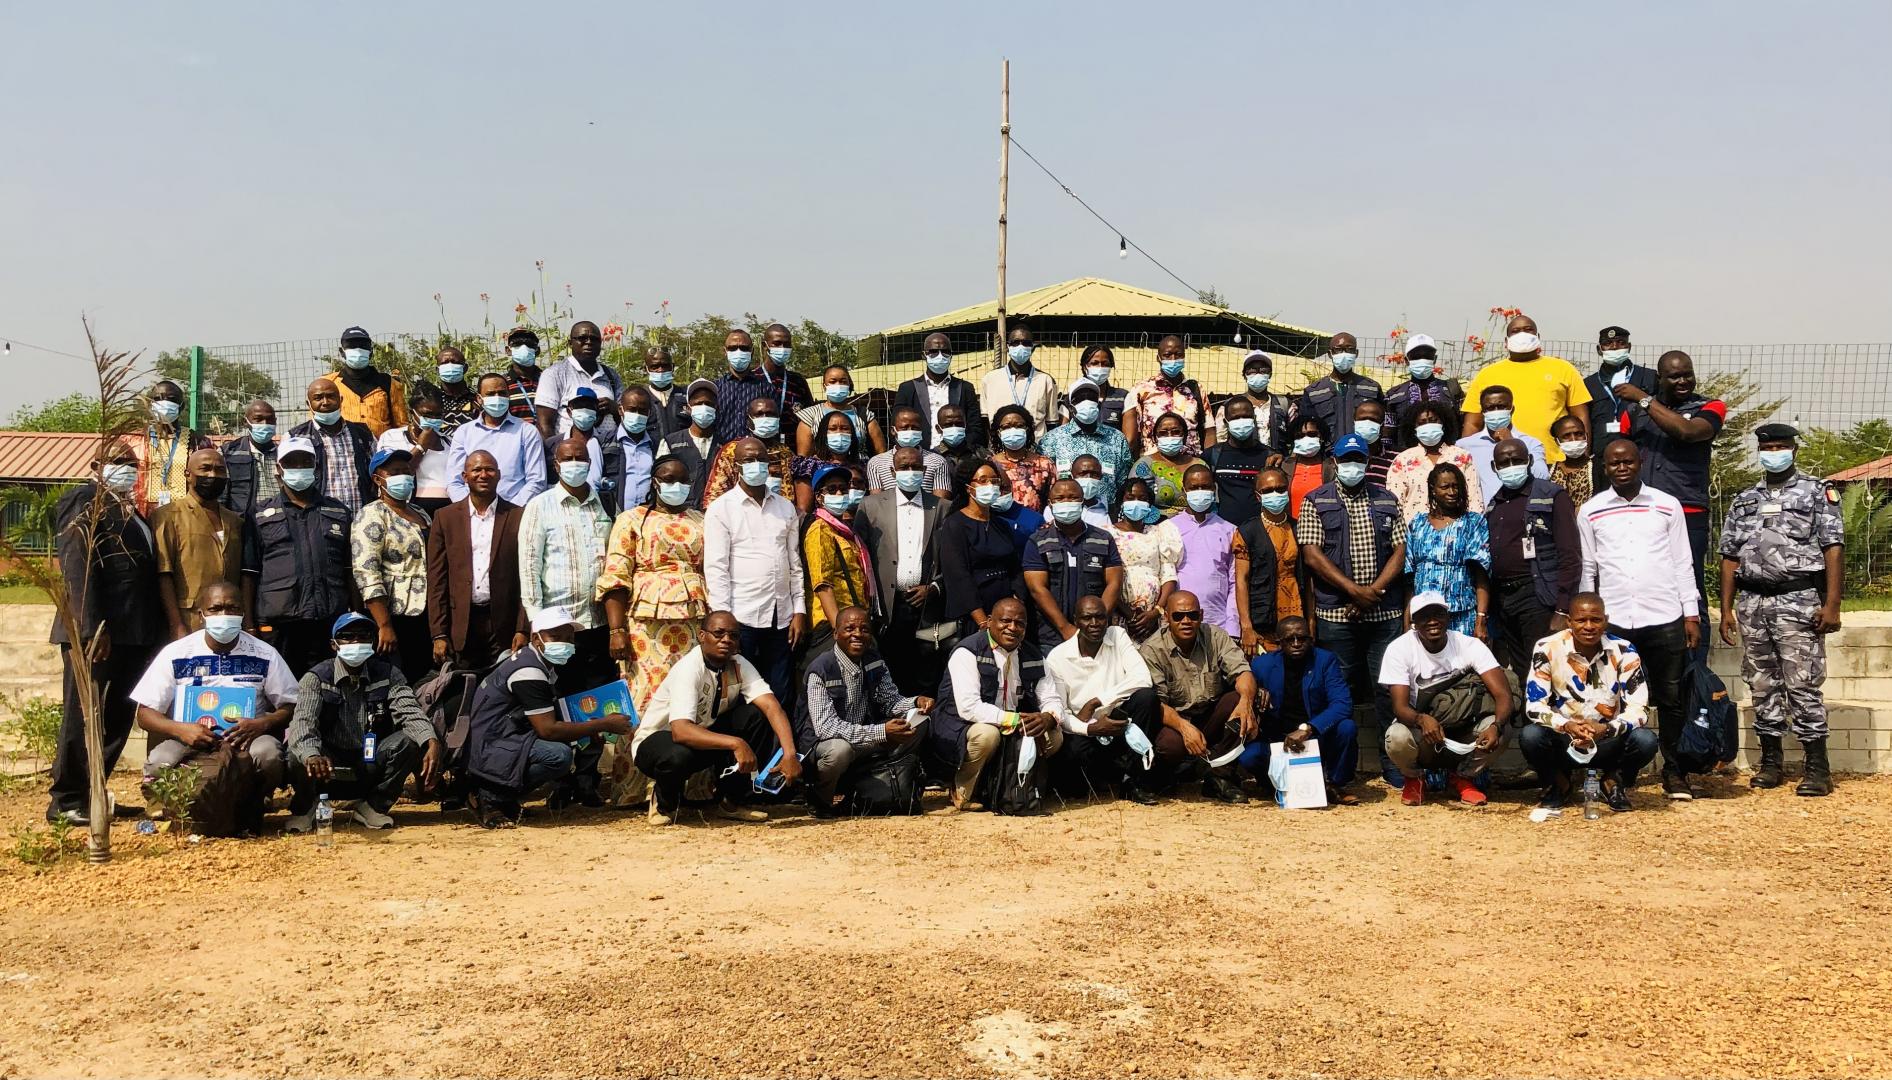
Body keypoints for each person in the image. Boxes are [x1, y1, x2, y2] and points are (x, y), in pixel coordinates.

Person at [1718, 423, 1845, 797]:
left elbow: (1833, 548)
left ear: (1794, 450)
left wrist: (1833, 604)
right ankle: (1771, 762)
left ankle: (1817, 767)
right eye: (1767, 446)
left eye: (1780, 446)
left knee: (1802, 683)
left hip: (1798, 598)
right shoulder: (1745, 498)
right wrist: (1726, 610)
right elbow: (1729, 555)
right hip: (1752, 602)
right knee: (1761, 684)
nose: (1774, 452)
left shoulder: (1818, 492)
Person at [1579, 439, 1702, 800]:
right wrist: (1589, 617)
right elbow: (1589, 568)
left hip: (1663, 615)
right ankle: (1615, 771)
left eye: (1628, 461)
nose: (1621, 468)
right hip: (1614, 621)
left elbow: (1682, 562)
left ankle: (1675, 772)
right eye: (1614, 463)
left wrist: (1690, 614)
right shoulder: (1591, 510)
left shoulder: (1666, 505)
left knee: (1671, 698)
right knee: (1610, 699)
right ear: (1605, 467)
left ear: (1640, 461)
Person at [45, 443, 161, 825]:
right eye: (117, 462)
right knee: (85, 717)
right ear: (96, 466)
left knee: (115, 718)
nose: (126, 469)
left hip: (133, 633)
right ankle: (67, 800)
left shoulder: (129, 508)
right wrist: (92, 628)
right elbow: (78, 569)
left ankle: (95, 793)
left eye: (132, 463)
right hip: (99, 634)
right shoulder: (84, 500)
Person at [1296, 433, 1407, 786]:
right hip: (1335, 615)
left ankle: (1393, 764)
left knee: (1387, 690)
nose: (1352, 466)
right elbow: (1311, 555)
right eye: (1346, 460)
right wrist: (1354, 592)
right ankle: (1339, 768)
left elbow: (1400, 551)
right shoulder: (1316, 500)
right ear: (1335, 462)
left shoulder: (1388, 500)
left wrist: (1373, 592)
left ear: (1367, 462)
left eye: (1359, 459)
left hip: (1383, 613)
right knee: (1337, 693)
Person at [132, 581, 298, 813]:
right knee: (161, 760)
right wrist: (181, 730)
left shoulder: (264, 653)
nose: (224, 615)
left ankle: (255, 800)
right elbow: (145, 713)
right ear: (201, 615)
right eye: (216, 608)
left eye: (232, 608)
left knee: (269, 754)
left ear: (242, 613)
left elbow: (291, 704)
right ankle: (177, 804)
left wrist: (264, 723)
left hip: (245, 741)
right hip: (188, 740)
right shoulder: (177, 653)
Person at [630, 611, 803, 824]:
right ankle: (664, 803)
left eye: (733, 635)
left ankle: (732, 802)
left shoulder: (738, 663)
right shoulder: (689, 668)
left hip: (702, 737)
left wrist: (790, 753)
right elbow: (681, 731)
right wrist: (736, 743)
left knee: (755, 716)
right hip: (659, 743)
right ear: (702, 636)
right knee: (677, 755)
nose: (726, 640)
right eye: (718, 633)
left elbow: (772, 707)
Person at [463, 608, 629, 827]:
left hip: (504, 736)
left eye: (569, 638)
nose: (565, 643)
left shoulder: (539, 662)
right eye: (555, 637)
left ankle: (504, 798)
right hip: (493, 744)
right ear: (536, 639)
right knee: (558, 756)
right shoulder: (528, 672)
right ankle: (490, 796)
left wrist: (588, 729)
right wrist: (603, 724)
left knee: (564, 743)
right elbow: (547, 729)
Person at [283, 611, 440, 832]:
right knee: (295, 752)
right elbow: (302, 723)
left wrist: (430, 740)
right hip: (327, 765)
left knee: (409, 742)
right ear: (334, 644)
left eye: (363, 635)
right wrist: (312, 754)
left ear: (372, 641)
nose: (356, 642)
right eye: (348, 636)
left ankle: (373, 806)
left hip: (369, 759)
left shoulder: (388, 674)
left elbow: (409, 711)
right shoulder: (316, 678)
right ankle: (306, 806)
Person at [1521, 592, 1658, 811]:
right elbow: (1534, 706)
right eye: (1581, 620)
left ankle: (1613, 781)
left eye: (1596, 620)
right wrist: (1567, 725)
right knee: (1531, 736)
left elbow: (1639, 709)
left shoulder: (1624, 650)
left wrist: (1606, 729)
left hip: (1607, 738)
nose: (1588, 626)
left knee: (1646, 740)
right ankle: (1560, 784)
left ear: (1606, 620)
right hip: (1565, 738)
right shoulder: (1547, 648)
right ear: (1569, 622)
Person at [929, 596, 1065, 812]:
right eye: (1005, 621)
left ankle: (1010, 788)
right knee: (986, 736)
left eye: (1020, 623)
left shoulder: (1033, 654)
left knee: (1054, 735)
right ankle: (963, 789)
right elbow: (969, 707)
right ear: (990, 621)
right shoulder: (968, 651)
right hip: (960, 724)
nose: (1012, 628)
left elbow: (1052, 698)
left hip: (1010, 723)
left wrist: (1048, 717)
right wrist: (1016, 719)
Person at [1619, 350, 1726, 625]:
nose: (1683, 381)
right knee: (1645, 581)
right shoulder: (1632, 414)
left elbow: (1688, 432)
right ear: (1660, 378)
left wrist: (1644, 399)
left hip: (1688, 511)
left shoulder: (1710, 407)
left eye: (1687, 374)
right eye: (1675, 376)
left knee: (1690, 586)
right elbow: (1621, 456)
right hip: (1643, 513)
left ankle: (1696, 667)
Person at [1379, 592, 1514, 806]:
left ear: (1448, 617)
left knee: (1503, 729)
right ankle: (1414, 779)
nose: (1432, 621)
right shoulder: (1399, 649)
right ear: (1413, 622)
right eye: (1424, 616)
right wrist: (1422, 720)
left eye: (1438, 614)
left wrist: (1496, 726)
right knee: (1396, 736)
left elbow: (1503, 695)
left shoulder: (1469, 645)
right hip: (1423, 731)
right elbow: (1399, 707)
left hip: (1465, 727)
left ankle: (1462, 778)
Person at [599, 457, 709, 716]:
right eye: (670, 480)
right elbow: (617, 575)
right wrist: (616, 631)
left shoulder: (700, 520)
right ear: (655, 483)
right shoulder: (632, 519)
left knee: (689, 692)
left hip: (693, 621)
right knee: (644, 693)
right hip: (646, 625)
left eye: (684, 480)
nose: (677, 485)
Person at [703, 437, 807, 707]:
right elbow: (716, 568)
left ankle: (779, 749)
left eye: (761, 459)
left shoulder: (785, 508)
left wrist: (799, 610)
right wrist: (724, 622)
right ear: (737, 465)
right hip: (742, 617)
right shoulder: (721, 509)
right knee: (742, 693)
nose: (756, 465)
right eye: (749, 460)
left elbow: (794, 563)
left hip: (780, 617)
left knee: (781, 690)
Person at [798, 606, 931, 815]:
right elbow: (825, 728)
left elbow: (891, 701)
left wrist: (915, 702)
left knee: (920, 721)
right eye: (849, 629)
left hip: (864, 738)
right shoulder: (820, 669)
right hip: (824, 746)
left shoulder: (873, 659)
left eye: (864, 629)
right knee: (839, 751)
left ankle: (877, 788)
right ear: (835, 634)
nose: (857, 634)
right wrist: (881, 732)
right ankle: (819, 801)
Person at [1137, 591, 1260, 803]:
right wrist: (1185, 728)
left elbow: (1242, 672)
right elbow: (1157, 703)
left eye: (1192, 615)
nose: (1186, 621)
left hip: (1210, 715)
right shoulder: (1152, 650)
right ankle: (1169, 776)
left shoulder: (1216, 636)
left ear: (1201, 615)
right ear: (1166, 617)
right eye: (1178, 616)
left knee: (1239, 700)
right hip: (1175, 720)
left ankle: (1219, 778)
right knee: (1169, 745)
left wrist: (1246, 703)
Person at [252, 436, 357, 675]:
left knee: (329, 683)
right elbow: (250, 571)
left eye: (304, 462)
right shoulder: (260, 514)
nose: (298, 468)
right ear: (279, 469)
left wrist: (355, 612)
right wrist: (250, 623)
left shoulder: (338, 511)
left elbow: (349, 569)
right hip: (282, 621)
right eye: (291, 463)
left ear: (316, 466)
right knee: (284, 688)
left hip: (329, 616)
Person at [1044, 596, 1163, 805]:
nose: (1094, 624)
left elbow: (1142, 679)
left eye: (1100, 617)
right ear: (1075, 620)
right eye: (1087, 618)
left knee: (1146, 698)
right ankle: (1100, 777)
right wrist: (1092, 728)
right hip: (1084, 730)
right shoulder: (1057, 657)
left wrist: (1096, 702)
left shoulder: (1117, 636)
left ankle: (1134, 782)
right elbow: (1060, 714)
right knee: (1075, 781)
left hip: (1118, 724)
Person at [852, 446, 951, 695]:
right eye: (904, 467)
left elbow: (951, 558)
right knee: (892, 667)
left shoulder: (940, 507)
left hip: (925, 603)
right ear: (893, 470)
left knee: (927, 667)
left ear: (925, 470)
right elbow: (861, 557)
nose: (910, 471)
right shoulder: (870, 506)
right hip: (888, 605)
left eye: (916, 467)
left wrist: (934, 587)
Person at [519, 436, 614, 692]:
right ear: (557, 465)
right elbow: (529, 567)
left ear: (590, 462)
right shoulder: (540, 506)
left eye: (580, 458)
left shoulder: (605, 503)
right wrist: (536, 622)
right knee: (564, 694)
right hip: (559, 625)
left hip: (599, 621)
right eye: (568, 459)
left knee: (601, 694)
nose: (575, 464)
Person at [1484, 438, 1583, 681]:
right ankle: (1527, 715)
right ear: (1494, 467)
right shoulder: (1494, 503)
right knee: (1519, 668)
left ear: (1529, 461)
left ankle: (1546, 718)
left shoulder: (1552, 495)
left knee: (1542, 665)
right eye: (1504, 462)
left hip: (1537, 594)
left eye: (1517, 460)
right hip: (1505, 599)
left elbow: (1570, 554)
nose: (1511, 466)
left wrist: (1562, 608)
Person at [1238, 616, 1357, 804]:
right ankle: (1274, 784)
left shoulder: (1325, 661)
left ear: (1310, 640)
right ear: (1279, 643)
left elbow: (1343, 704)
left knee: (1346, 728)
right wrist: (1256, 692)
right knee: (1249, 756)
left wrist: (1307, 729)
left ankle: (1334, 784)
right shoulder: (1262, 665)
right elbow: (1242, 695)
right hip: (1277, 741)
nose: (1296, 644)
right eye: (1289, 639)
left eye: (1302, 638)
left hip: (1314, 737)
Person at [426, 450, 527, 672]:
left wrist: (522, 628)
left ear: (499, 475)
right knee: (464, 691)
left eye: (489, 469)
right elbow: (437, 579)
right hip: (461, 622)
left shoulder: (518, 516)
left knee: (504, 689)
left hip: (503, 624)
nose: (483, 474)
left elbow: (526, 576)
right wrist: (439, 633)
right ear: (464, 476)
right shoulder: (445, 518)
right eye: (476, 470)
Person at [1462, 313, 1590, 463]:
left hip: (1557, 461)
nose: (1522, 334)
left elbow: (1581, 416)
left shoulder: (1563, 369)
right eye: (1515, 331)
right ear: (1506, 341)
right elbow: (1473, 423)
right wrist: (1466, 461)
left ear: (1538, 336)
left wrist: (1583, 456)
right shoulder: (1487, 375)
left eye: (1528, 330)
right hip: (1506, 463)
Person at [351, 447, 433, 681]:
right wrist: (384, 624)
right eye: (395, 472)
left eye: (407, 471)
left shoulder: (421, 513)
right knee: (398, 678)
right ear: (378, 479)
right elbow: (367, 571)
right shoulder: (372, 515)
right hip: (395, 614)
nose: (404, 477)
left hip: (426, 611)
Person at [152, 448, 252, 637]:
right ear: (188, 475)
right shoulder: (168, 516)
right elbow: (164, 574)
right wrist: (176, 624)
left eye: (220, 470)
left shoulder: (235, 521)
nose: (213, 475)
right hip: (189, 619)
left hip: (229, 620)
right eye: (205, 469)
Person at [1022, 478, 1124, 654]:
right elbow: (1037, 589)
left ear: (1082, 501)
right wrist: (1065, 628)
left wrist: (1096, 623)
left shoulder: (1103, 539)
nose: (1066, 503)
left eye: (1072, 498)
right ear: (1050, 504)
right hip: (1051, 635)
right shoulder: (1037, 540)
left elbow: (1114, 584)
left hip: (1096, 635)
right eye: (1060, 498)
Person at [936, 460, 1024, 640]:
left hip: (1006, 612)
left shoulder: (1001, 525)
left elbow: (1014, 568)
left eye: (994, 481)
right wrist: (983, 622)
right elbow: (958, 577)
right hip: (974, 615)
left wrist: (1016, 604)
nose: (990, 486)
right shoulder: (955, 525)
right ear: (969, 487)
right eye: (983, 481)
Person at [1402, 462, 1490, 638]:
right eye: (1445, 487)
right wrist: (1407, 621)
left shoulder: (1473, 522)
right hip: (1424, 616)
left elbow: (1481, 575)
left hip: (1461, 615)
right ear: (1433, 490)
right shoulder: (1418, 523)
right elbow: (1410, 578)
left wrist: (1481, 620)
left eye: (1456, 486)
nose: (1452, 492)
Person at [802, 464, 878, 651]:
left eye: (843, 489)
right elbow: (822, 585)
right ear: (819, 497)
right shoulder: (820, 529)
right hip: (832, 625)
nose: (839, 494)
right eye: (832, 489)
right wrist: (839, 630)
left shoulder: (847, 531)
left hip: (853, 622)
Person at [446, 372, 549, 507]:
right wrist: (472, 508)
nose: (497, 398)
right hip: (473, 514)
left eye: (502, 393)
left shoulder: (526, 431)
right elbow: (453, 481)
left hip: (515, 512)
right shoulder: (464, 432)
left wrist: (510, 511)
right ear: (479, 399)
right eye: (490, 394)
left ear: (508, 396)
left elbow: (537, 481)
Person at [1232, 467, 1303, 655]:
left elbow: (1308, 579)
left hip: (1296, 616)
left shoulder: (1299, 528)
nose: (1275, 494)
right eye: (1268, 491)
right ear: (1258, 496)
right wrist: (1246, 627)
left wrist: (1311, 621)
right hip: (1262, 618)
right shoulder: (1247, 532)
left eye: (1280, 489)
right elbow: (1241, 580)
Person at [1109, 476, 1181, 642]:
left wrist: (1156, 611)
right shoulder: (1108, 534)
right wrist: (1129, 613)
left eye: (1142, 499)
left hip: (1154, 616)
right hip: (1120, 612)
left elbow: (1169, 575)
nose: (1136, 502)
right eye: (1130, 498)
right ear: (1121, 501)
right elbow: (1106, 578)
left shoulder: (1160, 532)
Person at [1385, 400, 1482, 521]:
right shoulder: (1403, 460)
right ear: (1414, 429)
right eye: (1422, 423)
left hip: (1458, 532)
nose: (1428, 425)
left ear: (1443, 423)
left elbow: (1474, 499)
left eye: (1433, 420)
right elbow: (1395, 501)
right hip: (1414, 534)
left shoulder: (1462, 457)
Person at [1580, 325, 1656, 480]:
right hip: (1602, 461)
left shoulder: (1649, 377)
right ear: (1599, 349)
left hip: (1642, 457)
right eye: (1608, 343)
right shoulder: (1588, 384)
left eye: (1620, 342)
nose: (1614, 347)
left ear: (1628, 347)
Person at [291, 377, 376, 513]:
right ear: (309, 404)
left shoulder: (362, 433)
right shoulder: (297, 437)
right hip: (320, 520)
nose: (325, 402)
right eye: (318, 398)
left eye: (331, 396)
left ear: (341, 399)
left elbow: (377, 471)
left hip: (362, 517)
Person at [1171, 465, 1238, 636]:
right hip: (1178, 623)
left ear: (1214, 489)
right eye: (1194, 488)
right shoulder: (1168, 529)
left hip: (1219, 624)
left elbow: (1235, 582)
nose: (1200, 492)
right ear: (1184, 490)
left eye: (1205, 487)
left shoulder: (1230, 530)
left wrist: (1233, 628)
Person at [1040, 380, 1134, 498]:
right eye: (1079, 399)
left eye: (1091, 398)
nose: (1087, 402)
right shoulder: (1051, 439)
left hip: (1105, 512)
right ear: (1070, 407)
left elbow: (1123, 482)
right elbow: (1044, 483)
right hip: (1065, 511)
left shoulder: (1117, 438)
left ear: (1099, 405)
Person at [534, 320, 623, 444]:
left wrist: (614, 408)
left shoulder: (611, 375)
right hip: (571, 454)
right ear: (570, 343)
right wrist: (554, 453)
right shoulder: (554, 373)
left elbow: (625, 417)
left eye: (594, 339)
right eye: (582, 338)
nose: (589, 342)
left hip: (609, 452)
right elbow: (545, 425)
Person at [894, 332, 987, 451]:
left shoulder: (965, 388)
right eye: (933, 352)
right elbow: (898, 426)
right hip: (919, 455)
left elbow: (975, 427)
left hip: (957, 456)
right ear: (924, 355)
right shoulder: (907, 389)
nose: (940, 356)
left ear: (951, 356)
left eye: (945, 352)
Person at [132, 380, 212, 515]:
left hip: (186, 515)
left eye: (171, 399)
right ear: (150, 404)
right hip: (142, 514)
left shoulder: (198, 442)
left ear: (182, 406)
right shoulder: (133, 441)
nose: (164, 403)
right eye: (158, 398)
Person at [713, 327, 804, 445]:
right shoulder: (715, 388)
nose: (738, 352)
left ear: (752, 351)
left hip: (756, 456)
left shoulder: (766, 388)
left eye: (744, 348)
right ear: (725, 352)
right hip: (723, 456)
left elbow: (774, 428)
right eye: (733, 348)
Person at [1458, 384, 1548, 502]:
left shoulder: (1531, 443)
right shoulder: (1465, 446)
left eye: (1501, 407)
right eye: (1490, 408)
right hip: (1484, 515)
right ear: (1483, 411)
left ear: (1512, 409)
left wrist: (1511, 442)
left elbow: (1542, 477)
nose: (1496, 412)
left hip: (1523, 510)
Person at [1294, 331, 1383, 449]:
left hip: (1362, 454)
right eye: (1338, 349)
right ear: (1330, 354)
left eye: (1349, 349)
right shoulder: (1313, 391)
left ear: (1356, 353)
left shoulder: (1372, 388)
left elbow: (1382, 422)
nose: (1344, 354)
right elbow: (1304, 427)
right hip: (1327, 456)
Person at [375, 382, 453, 514]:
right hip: (410, 509)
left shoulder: (449, 442)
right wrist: (421, 447)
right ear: (412, 413)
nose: (433, 420)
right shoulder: (392, 438)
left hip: (447, 511)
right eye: (427, 415)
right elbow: (397, 472)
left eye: (438, 415)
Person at [702, 395, 794, 505]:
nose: (765, 418)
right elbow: (715, 494)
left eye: (771, 414)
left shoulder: (786, 453)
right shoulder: (732, 450)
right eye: (759, 414)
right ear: (748, 420)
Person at [1124, 335, 1208, 455]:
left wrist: (1208, 461)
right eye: (1167, 355)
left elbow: (1209, 429)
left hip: (1190, 463)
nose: (1173, 359)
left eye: (1178, 354)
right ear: (1158, 358)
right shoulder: (1141, 390)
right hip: (1152, 461)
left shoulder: (1196, 389)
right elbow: (1133, 433)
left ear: (1184, 356)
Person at [1382, 334, 1465, 451]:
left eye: (1427, 356)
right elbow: (1388, 433)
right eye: (1415, 356)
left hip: (1447, 457)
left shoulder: (1451, 389)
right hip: (1406, 459)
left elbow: (1464, 425)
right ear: (1406, 361)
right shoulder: (1394, 394)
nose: (1422, 360)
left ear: (1434, 359)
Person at [321, 325, 406, 438]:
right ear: (342, 352)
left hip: (382, 451)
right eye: (352, 346)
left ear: (371, 352)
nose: (358, 350)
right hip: (344, 449)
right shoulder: (329, 383)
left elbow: (401, 425)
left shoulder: (389, 383)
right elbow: (318, 424)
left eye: (363, 346)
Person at [980, 321, 1060, 436]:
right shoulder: (990, 380)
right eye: (1015, 343)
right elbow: (984, 422)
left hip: (1036, 448)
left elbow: (1052, 423)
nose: (1020, 346)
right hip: (1000, 447)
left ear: (1032, 348)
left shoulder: (1045, 380)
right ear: (1008, 346)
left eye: (1026, 343)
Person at [1203, 394, 1275, 524]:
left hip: (1260, 532)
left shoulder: (1269, 455)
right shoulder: (1212, 455)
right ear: (1226, 422)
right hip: (1224, 530)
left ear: (1254, 419)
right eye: (1235, 417)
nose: (1241, 421)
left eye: (1246, 416)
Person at [655, 378, 724, 509]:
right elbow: (659, 482)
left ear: (716, 408)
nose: (704, 407)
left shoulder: (725, 446)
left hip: (717, 514)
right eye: (698, 403)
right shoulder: (670, 443)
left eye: (709, 404)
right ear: (688, 408)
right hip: (681, 515)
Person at [795, 364, 885, 457]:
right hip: (824, 469)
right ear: (824, 386)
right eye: (832, 382)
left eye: (843, 381)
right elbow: (803, 457)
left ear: (849, 384)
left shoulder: (864, 415)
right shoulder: (810, 416)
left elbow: (881, 453)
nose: (838, 385)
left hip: (859, 468)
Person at [1131, 412, 1207, 518]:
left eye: (1176, 432)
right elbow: (1136, 503)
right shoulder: (1144, 465)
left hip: (1197, 526)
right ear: (1154, 438)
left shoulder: (1199, 465)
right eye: (1163, 433)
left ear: (1184, 437)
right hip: (1157, 526)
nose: (1170, 437)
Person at [864, 406, 952, 498]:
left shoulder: (938, 461)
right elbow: (877, 502)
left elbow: (941, 502)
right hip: (890, 511)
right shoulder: (876, 463)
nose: (910, 431)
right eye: (904, 428)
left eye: (915, 428)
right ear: (893, 431)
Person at [1212, 350, 1289, 450]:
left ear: (1270, 374)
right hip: (1242, 461)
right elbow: (1221, 439)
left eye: (1263, 370)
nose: (1258, 374)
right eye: (1252, 371)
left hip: (1277, 462)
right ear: (1244, 375)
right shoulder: (1229, 406)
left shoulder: (1284, 404)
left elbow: (1297, 436)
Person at [601, 385, 657, 516]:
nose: (637, 415)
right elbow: (593, 485)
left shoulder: (657, 445)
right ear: (621, 410)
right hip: (613, 519)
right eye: (632, 410)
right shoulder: (602, 443)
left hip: (648, 520)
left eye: (642, 411)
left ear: (649, 413)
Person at [988, 404, 1056, 512]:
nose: (1013, 430)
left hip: (1035, 525)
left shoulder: (1045, 464)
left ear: (1027, 429)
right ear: (998, 433)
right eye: (1006, 427)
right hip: (999, 526)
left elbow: (1054, 499)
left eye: (1019, 426)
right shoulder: (990, 465)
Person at [220, 398, 280, 519]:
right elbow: (220, 498)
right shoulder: (228, 453)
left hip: (280, 523)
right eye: (258, 419)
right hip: (244, 523)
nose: (264, 424)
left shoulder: (283, 454)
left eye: (269, 420)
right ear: (245, 422)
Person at [758, 321, 816, 437]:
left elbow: (810, 417)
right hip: (759, 448)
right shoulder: (752, 379)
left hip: (794, 447)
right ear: (765, 346)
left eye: (787, 344)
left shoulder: (798, 381)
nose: (782, 348)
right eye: (777, 343)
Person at [1066, 345, 1131, 431]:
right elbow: (1063, 433)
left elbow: (1130, 439)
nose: (1100, 367)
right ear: (1085, 366)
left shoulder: (1123, 397)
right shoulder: (1070, 398)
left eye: (1105, 364)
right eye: (1094, 363)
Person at [1285, 415, 1332, 517]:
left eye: (1312, 434)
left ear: (1322, 437)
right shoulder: (1284, 467)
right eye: (1300, 436)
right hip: (1291, 528)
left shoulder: (1332, 468)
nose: (1306, 439)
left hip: (1321, 527)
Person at [640, 346, 689, 443]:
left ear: (672, 367)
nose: (660, 370)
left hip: (682, 456)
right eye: (654, 367)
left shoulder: (687, 395)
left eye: (665, 366)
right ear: (646, 369)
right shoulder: (640, 398)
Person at [432, 345, 481, 442]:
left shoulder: (477, 399)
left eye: (455, 362)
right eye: (445, 362)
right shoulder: (432, 399)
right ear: (437, 370)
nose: (450, 366)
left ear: (465, 368)